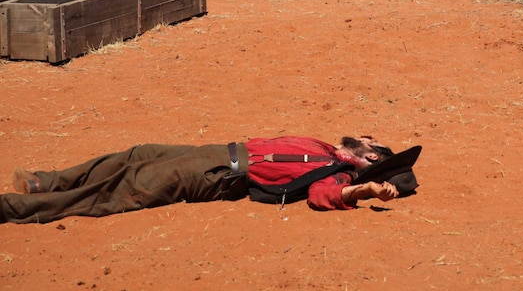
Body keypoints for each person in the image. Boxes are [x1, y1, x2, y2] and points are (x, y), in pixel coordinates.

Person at [0, 135, 420, 225]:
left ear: (371, 161)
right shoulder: (329, 148)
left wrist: (361, 190)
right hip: (220, 151)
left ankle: (17, 209)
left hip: (219, 175)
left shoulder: (338, 171)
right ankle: (46, 183)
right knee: (136, 154)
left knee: (132, 185)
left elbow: (321, 196)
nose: (368, 138)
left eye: (374, 146)